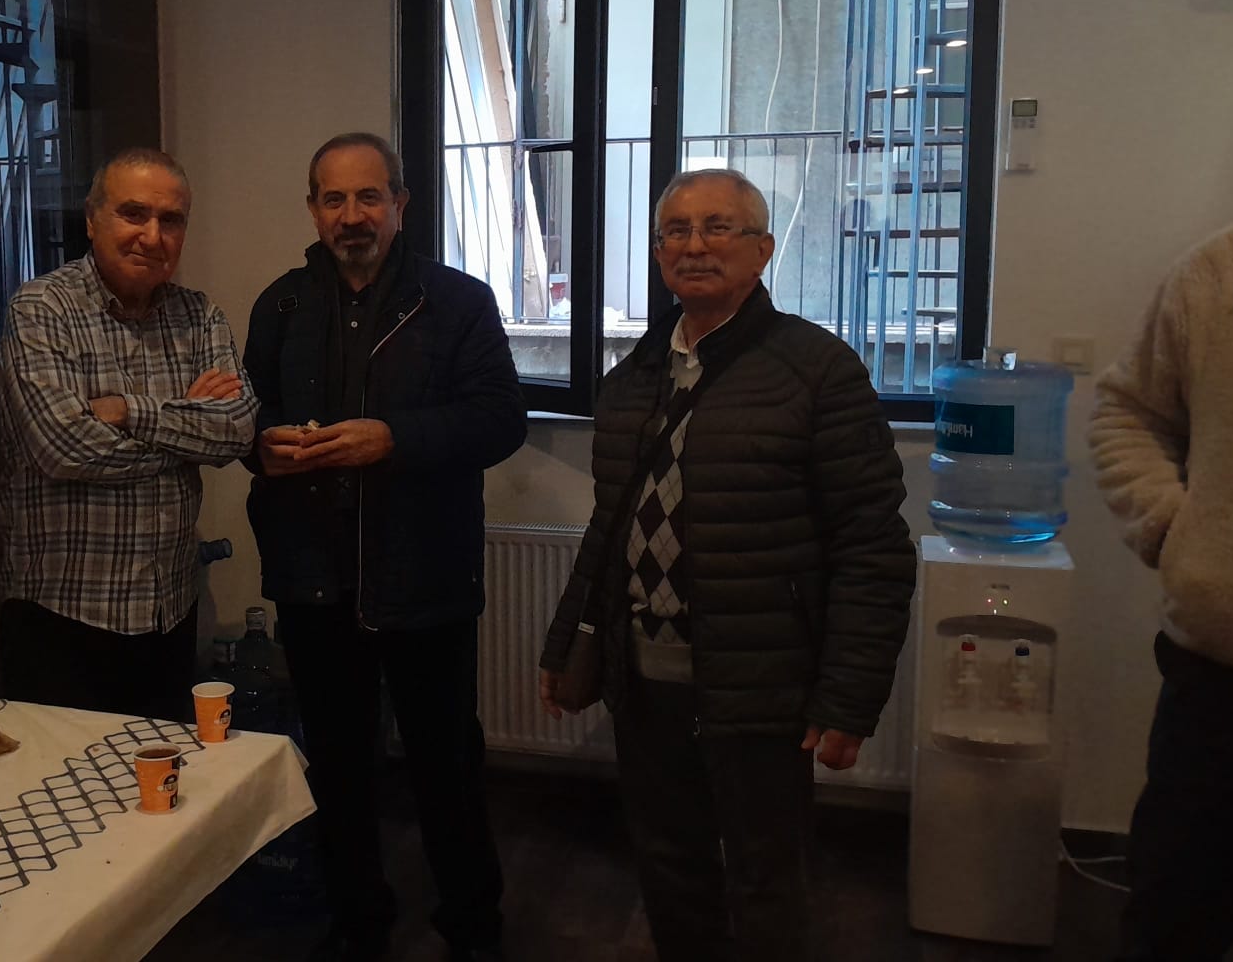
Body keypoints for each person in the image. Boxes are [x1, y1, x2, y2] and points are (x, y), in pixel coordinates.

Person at [538, 168, 914, 961]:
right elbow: (610, 530)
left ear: (763, 249)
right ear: (659, 253)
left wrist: (849, 697)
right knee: (668, 867)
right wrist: (568, 642)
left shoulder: (818, 370)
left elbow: (872, 546)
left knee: (767, 880)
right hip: (644, 683)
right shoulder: (634, 377)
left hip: (762, 684)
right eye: (676, 231)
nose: (695, 245)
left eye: (718, 227)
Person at [241, 132, 525, 961]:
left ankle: (472, 929)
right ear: (313, 210)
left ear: (401, 203)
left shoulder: (457, 301)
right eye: (334, 198)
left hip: (425, 579)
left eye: (370, 196)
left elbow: (500, 420)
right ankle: (358, 923)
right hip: (313, 580)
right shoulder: (280, 306)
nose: (352, 215)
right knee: (336, 768)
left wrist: (392, 438)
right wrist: (259, 446)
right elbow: (248, 420)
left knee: (447, 768)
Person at [0, 148, 258, 722]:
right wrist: (187, 429)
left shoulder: (198, 315)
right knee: (63, 777)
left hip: (169, 611)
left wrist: (125, 410)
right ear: (92, 220)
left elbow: (237, 431)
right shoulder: (42, 309)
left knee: (161, 774)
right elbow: (63, 448)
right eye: (133, 213)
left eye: (171, 219)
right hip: (63, 616)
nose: (152, 236)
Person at [1090, 192, 1233, 962]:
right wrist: (1173, 529)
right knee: (1177, 910)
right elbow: (1128, 411)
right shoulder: (1221, 273)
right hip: (1228, 664)